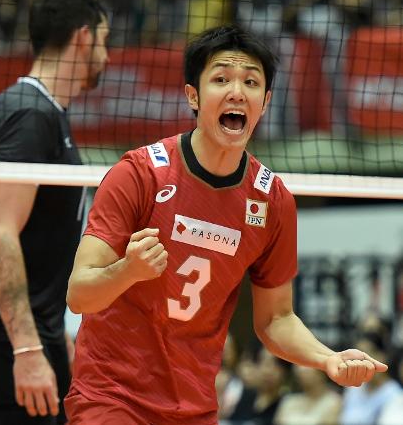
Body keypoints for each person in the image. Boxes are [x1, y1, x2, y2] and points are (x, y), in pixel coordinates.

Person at [65, 24, 387, 425]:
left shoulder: (272, 200)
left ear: (265, 102)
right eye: (221, 79)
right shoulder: (139, 174)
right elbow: (79, 295)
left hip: (193, 405)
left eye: (251, 82)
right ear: (193, 96)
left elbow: (275, 320)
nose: (237, 91)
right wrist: (127, 271)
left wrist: (328, 358)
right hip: (112, 397)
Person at [0, 0, 109, 425]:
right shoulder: (30, 114)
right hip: (2, 337)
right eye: (104, 40)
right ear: (83, 38)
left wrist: (50, 333)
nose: (108, 55)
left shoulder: (41, 112)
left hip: (21, 331)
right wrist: (26, 349)